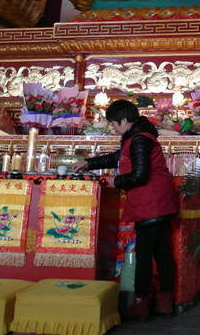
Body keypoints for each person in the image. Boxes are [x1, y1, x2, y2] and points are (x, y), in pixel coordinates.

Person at [70, 99, 178, 320]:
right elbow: (119, 158)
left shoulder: (138, 139)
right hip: (159, 201)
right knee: (162, 253)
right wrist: (88, 164)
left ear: (125, 120)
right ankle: (165, 304)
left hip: (151, 203)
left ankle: (140, 304)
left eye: (113, 124)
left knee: (146, 255)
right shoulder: (137, 136)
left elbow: (139, 175)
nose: (112, 128)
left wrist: (114, 182)